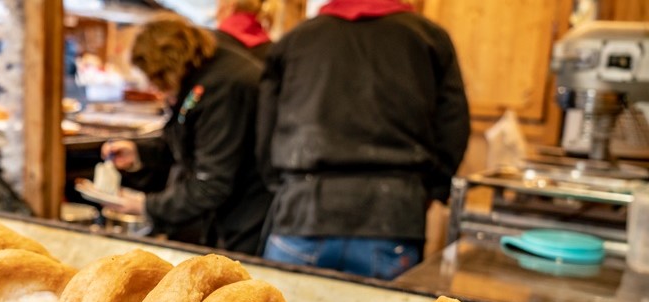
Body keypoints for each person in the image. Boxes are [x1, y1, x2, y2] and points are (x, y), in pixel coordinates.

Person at [256, 0, 470, 280]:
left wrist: (279, 184)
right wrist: (430, 191)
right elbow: (453, 124)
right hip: (393, 214)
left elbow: (265, 127)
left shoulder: (296, 39)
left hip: (302, 210)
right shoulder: (429, 37)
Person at [98, 14, 271, 255]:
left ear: (167, 66)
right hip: (230, 211)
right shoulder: (203, 73)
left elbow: (211, 184)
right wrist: (140, 152)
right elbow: (189, 138)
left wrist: (146, 206)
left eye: (156, 80)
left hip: (248, 216)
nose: (156, 89)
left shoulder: (224, 87)